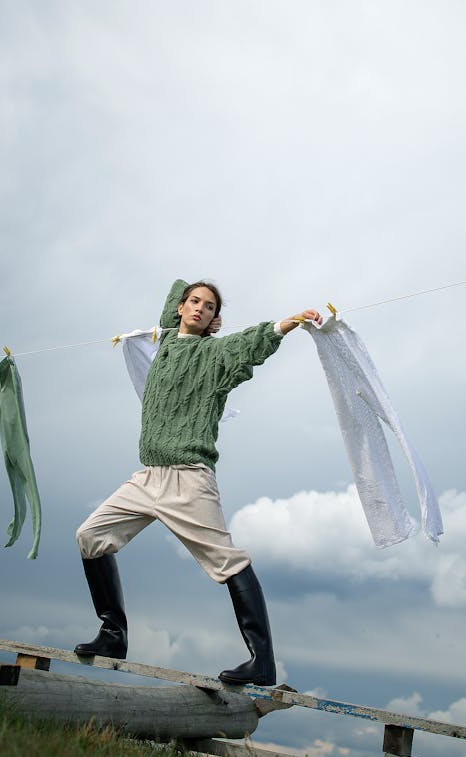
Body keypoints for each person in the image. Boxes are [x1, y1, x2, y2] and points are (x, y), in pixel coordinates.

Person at [74, 278, 322, 686]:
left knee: (229, 562)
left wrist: (291, 321)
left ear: (215, 319)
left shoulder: (216, 355)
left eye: (209, 307)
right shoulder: (167, 341)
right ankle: (114, 635)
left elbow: (252, 343)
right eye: (194, 302)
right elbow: (175, 293)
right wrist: (191, 299)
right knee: (90, 536)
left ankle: (262, 661)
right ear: (179, 307)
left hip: (189, 479)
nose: (199, 309)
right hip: (148, 477)